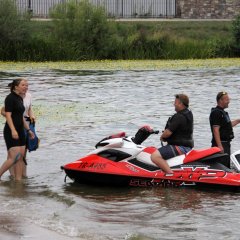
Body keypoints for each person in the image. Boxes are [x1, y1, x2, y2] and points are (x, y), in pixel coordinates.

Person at [0, 78, 35, 181]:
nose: (26, 87)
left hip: (21, 130)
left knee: (20, 158)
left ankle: (18, 182)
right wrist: (13, 130)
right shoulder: (10, 98)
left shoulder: (20, 98)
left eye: (27, 85)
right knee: (13, 158)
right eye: (23, 85)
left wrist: (28, 130)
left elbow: (21, 116)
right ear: (16, 87)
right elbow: (8, 115)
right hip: (11, 130)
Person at [151, 94, 194, 174]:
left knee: (154, 156)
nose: (174, 104)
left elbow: (167, 133)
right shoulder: (189, 114)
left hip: (180, 147)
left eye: (175, 102)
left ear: (181, 104)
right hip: (187, 146)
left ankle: (170, 174)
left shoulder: (179, 116)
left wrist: (162, 137)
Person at [209, 91, 240, 167]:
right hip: (220, 144)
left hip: (226, 144)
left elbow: (227, 126)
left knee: (226, 165)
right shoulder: (216, 113)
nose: (228, 101)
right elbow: (215, 130)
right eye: (227, 99)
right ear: (220, 101)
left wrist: (238, 121)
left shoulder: (222, 113)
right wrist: (219, 146)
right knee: (221, 166)